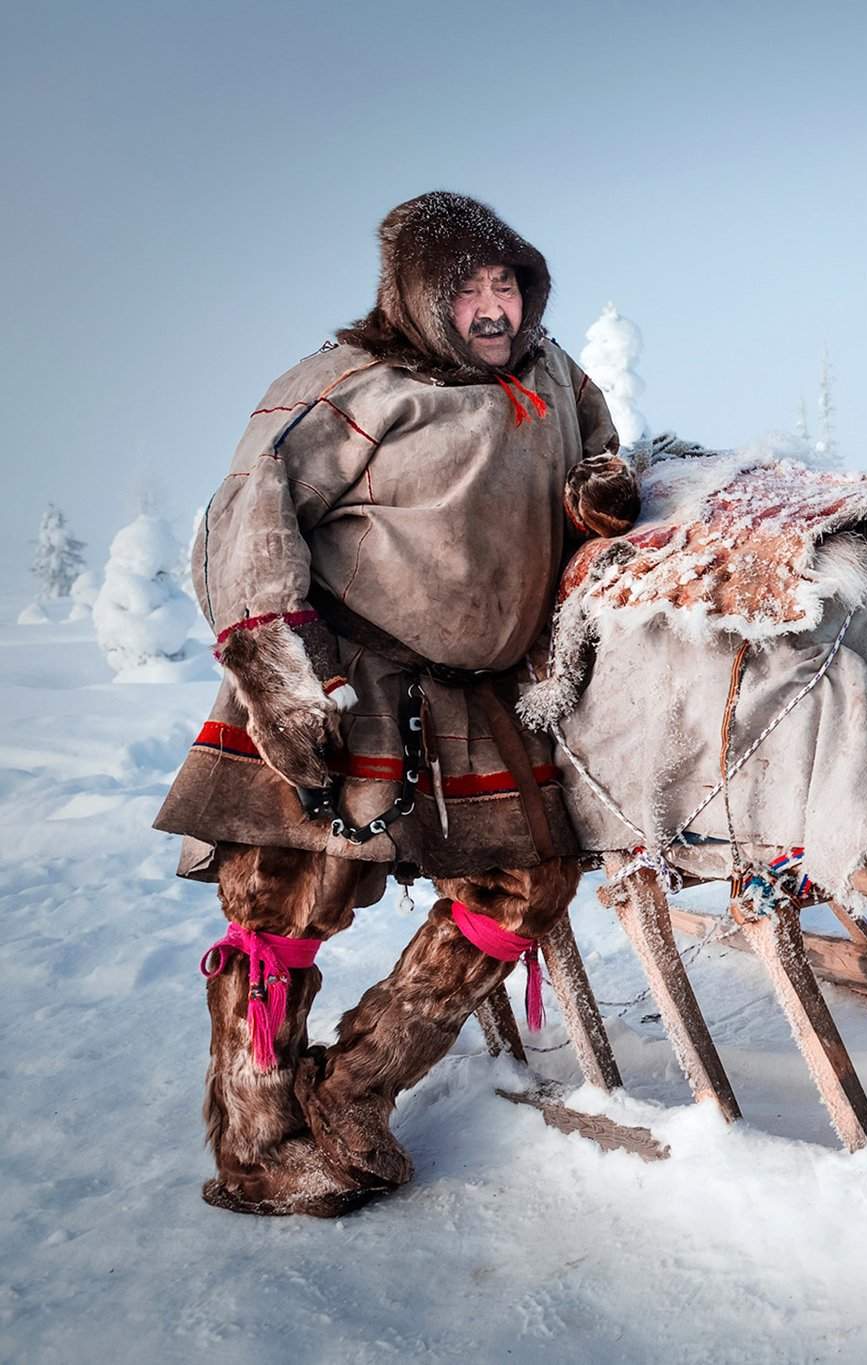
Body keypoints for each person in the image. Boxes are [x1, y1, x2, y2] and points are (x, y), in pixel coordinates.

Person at [155, 192, 640, 1216]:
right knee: (287, 907)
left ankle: (355, 1087)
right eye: (466, 290)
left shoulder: (552, 378)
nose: (492, 307)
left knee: (529, 882)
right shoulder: (350, 387)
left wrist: (601, 490)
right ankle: (256, 1148)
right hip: (348, 680)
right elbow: (249, 515)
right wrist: (286, 684)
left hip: (477, 696)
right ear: (419, 298)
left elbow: (599, 453)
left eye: (506, 284)